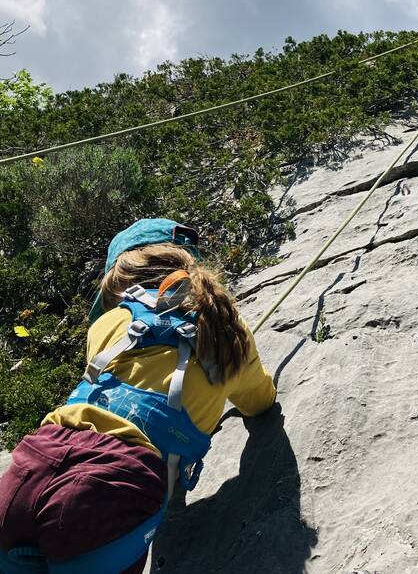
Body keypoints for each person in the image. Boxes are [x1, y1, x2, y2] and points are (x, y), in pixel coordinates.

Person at [0, 219, 276, 573]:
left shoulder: (108, 323)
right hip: (112, 486)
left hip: (34, 463)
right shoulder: (226, 332)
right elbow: (259, 400)